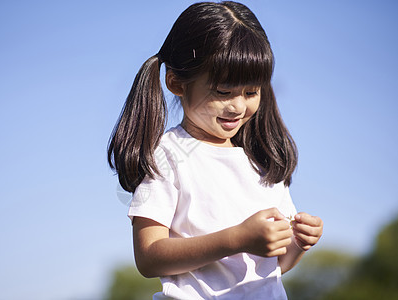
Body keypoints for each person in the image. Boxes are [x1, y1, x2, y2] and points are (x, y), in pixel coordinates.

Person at [108, 1, 323, 299]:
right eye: (223, 92)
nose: (237, 106)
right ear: (177, 83)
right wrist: (236, 239)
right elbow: (149, 256)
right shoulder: (167, 155)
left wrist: (298, 242)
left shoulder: (263, 162)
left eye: (251, 92)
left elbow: (272, 267)